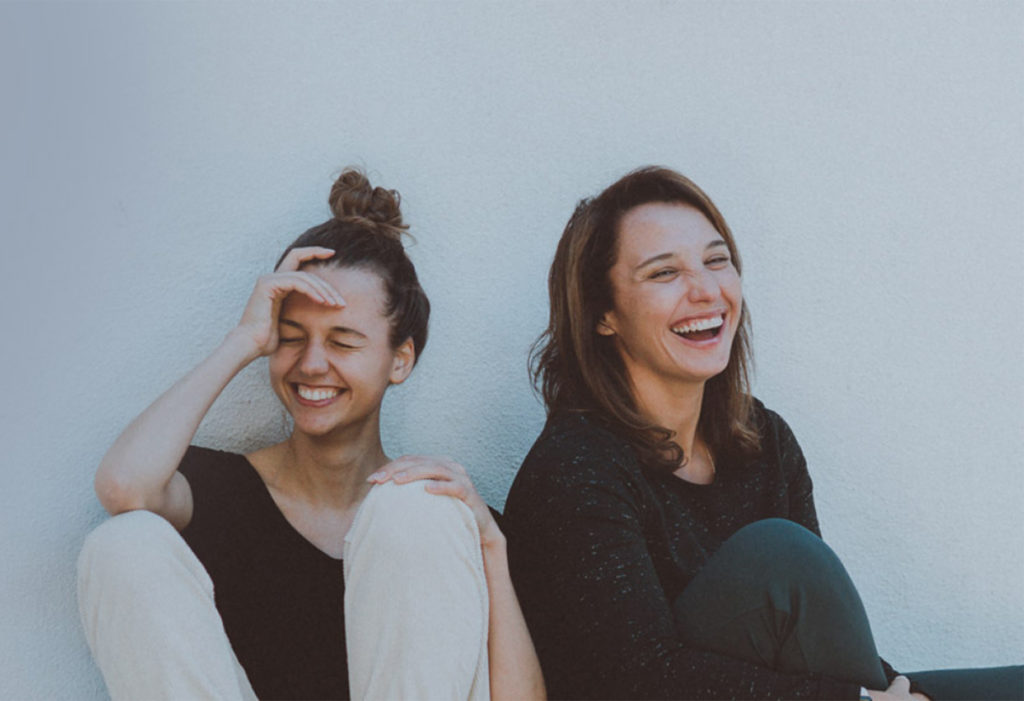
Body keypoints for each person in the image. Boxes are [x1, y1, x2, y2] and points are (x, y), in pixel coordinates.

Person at [501, 166, 1022, 701]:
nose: (705, 290)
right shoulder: (576, 469)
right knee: (779, 555)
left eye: (716, 260)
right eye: (663, 273)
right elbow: (639, 679)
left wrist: (889, 693)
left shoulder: (763, 440)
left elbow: (821, 639)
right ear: (602, 314)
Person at [77, 168, 544, 701]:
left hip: (423, 524)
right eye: (292, 338)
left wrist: (489, 543)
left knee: (417, 508)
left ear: (400, 359)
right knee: (123, 542)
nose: (312, 364)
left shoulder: (436, 520)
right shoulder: (222, 492)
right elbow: (122, 488)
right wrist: (245, 339)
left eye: (344, 342)